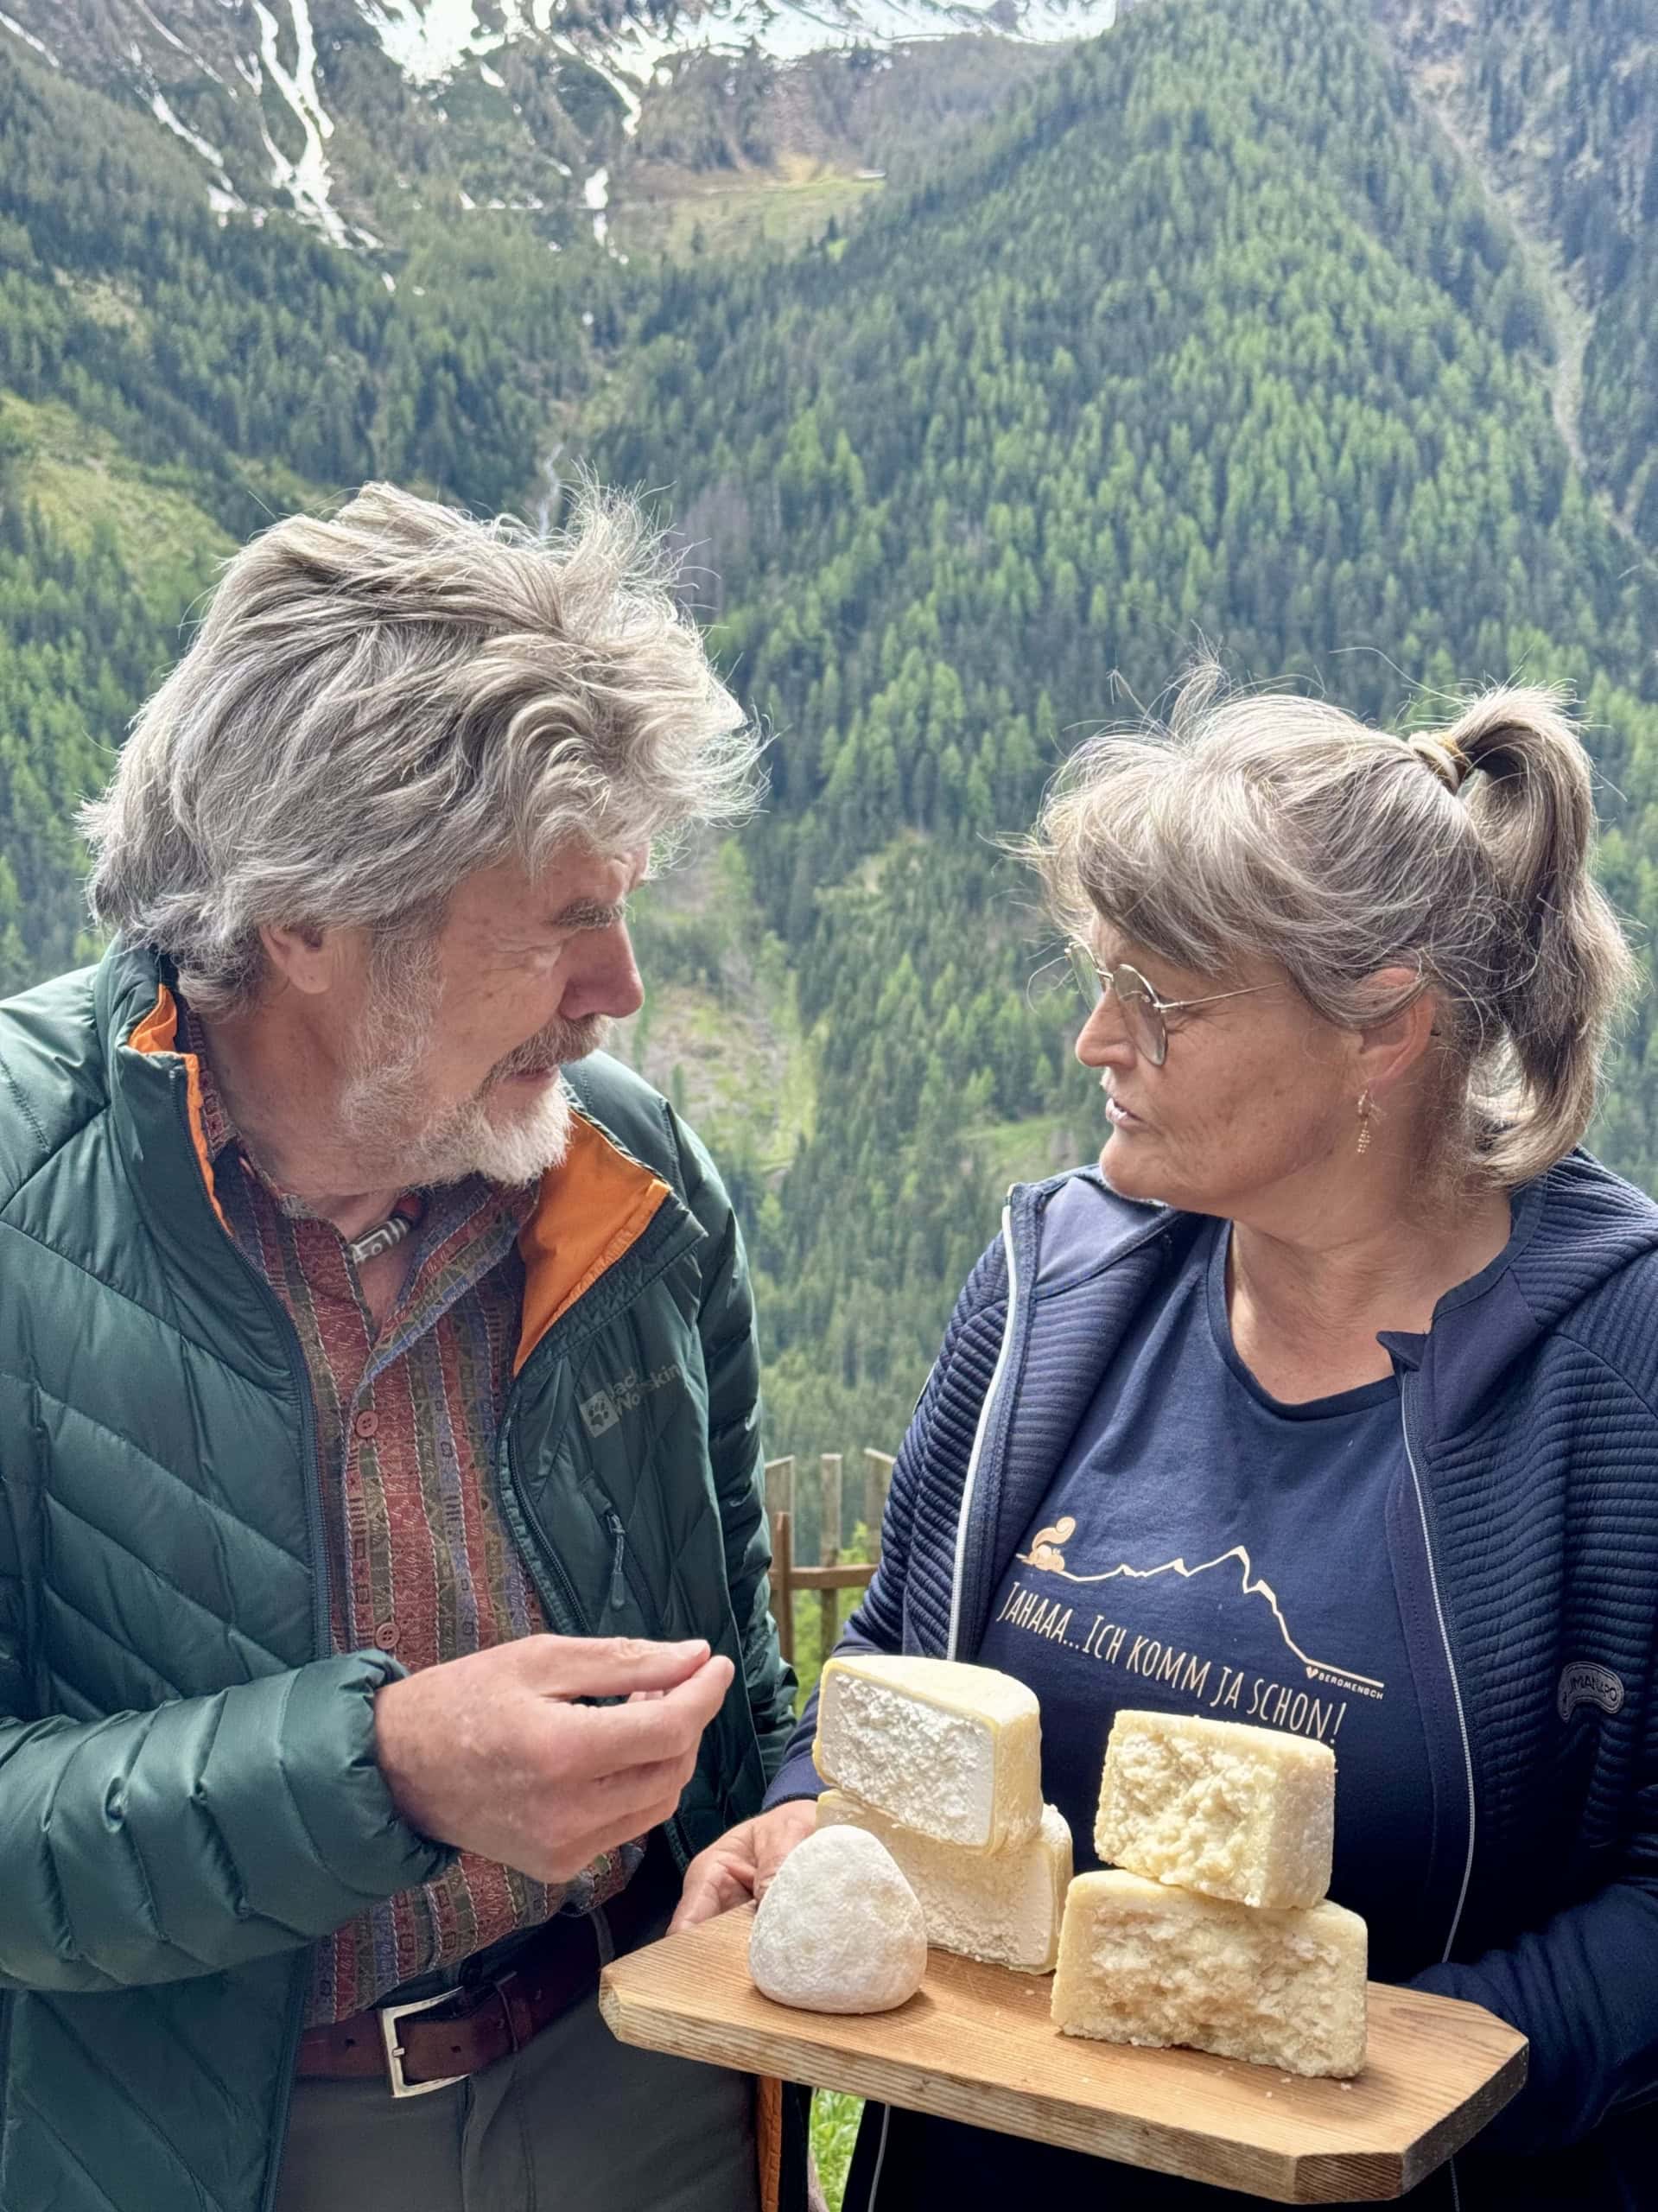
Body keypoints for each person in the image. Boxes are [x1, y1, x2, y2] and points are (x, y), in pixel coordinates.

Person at [677, 672, 1658, 2210]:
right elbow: (889, 1672)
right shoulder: (1053, 1288)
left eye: (1164, 1000)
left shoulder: (1622, 1373)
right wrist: (807, 1809)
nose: (1093, 1039)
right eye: (1101, 977)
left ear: (1382, 1030)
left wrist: (1377, 2083)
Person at [0, 483, 804, 2212]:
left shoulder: (633, 1175)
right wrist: (384, 1771)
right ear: (310, 917)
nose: (623, 984)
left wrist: (788, 1801)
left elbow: (738, 1635)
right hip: (230, 2144)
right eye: (564, 916)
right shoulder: (19, 1205)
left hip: (639, 2075)